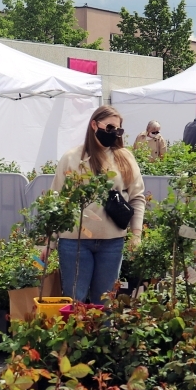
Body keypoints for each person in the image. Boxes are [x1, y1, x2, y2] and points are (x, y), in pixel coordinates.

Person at [53, 107, 146, 304]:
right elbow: (57, 200)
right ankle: (76, 336)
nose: (113, 133)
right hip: (75, 241)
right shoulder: (72, 158)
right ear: (94, 124)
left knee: (104, 303)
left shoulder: (125, 158)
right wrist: (48, 242)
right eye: (109, 127)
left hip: (112, 241)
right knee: (74, 301)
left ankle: (103, 336)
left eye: (118, 130)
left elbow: (137, 197)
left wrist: (136, 234)